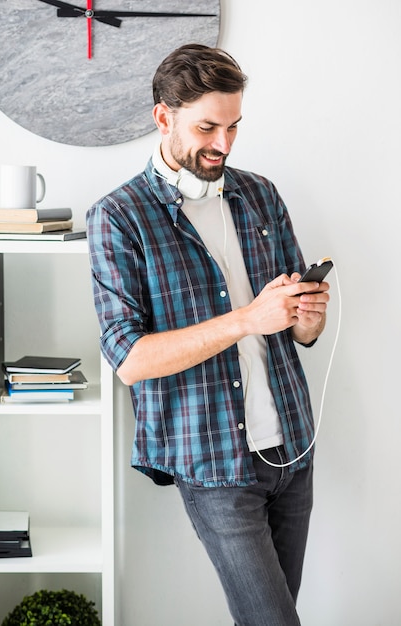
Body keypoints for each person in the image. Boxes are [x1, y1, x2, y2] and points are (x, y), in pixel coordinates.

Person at [86, 43, 330, 626]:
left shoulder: (260, 194)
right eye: (207, 127)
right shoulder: (119, 217)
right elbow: (131, 360)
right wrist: (247, 318)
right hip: (215, 463)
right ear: (163, 117)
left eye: (234, 126)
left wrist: (308, 320)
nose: (224, 143)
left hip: (292, 448)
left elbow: (296, 327)